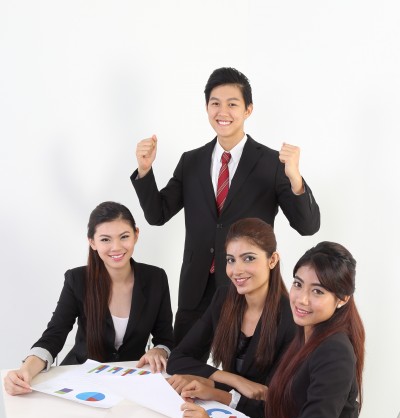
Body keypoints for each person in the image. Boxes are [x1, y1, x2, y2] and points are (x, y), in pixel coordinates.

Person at [132, 67, 320, 346]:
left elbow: (307, 226)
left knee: (244, 367)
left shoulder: (272, 164)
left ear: (248, 110)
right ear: (206, 107)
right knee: (181, 365)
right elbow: (157, 214)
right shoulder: (191, 161)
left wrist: (295, 178)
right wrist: (145, 171)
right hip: (195, 290)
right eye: (215, 103)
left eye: (232, 104)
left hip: (247, 289)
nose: (223, 112)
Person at [180, 241, 366, 418]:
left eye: (318, 291)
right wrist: (221, 396)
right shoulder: (307, 334)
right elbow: (284, 411)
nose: (301, 299)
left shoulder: (335, 352)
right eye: (298, 284)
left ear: (342, 299)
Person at [4, 201, 174, 396]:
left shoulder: (156, 278)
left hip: (131, 381)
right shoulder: (77, 279)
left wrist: (160, 350)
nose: (116, 247)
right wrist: (25, 371)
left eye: (124, 237)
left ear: (136, 234)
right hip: (80, 380)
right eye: (105, 239)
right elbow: (54, 335)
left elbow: (165, 338)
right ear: (92, 242)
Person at [167, 218, 296, 399]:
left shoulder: (291, 316)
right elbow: (177, 359)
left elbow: (271, 396)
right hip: (224, 409)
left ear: (272, 260)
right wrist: (235, 380)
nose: (236, 270)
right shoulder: (223, 298)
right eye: (231, 260)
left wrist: (211, 386)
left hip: (262, 415)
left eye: (249, 258)